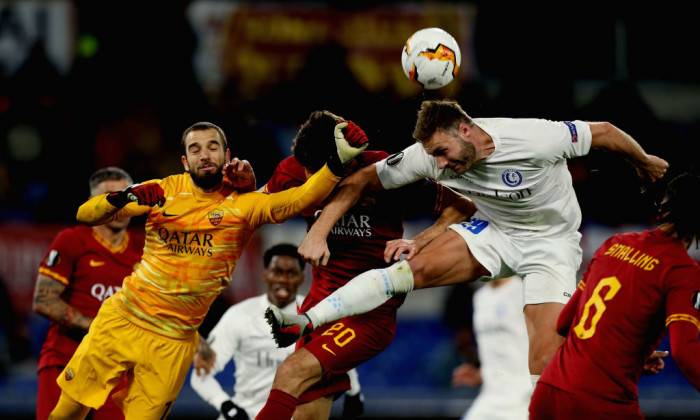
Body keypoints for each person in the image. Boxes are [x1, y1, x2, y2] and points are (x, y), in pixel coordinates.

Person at [266, 99, 669, 389]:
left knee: (544, 363)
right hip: (494, 232)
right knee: (402, 274)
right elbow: (360, 179)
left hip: (550, 245)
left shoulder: (534, 137)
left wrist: (644, 160)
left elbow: (605, 133)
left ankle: (603, 373)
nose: (439, 165)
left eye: (442, 153)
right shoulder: (429, 155)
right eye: (432, 157)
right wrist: (319, 232)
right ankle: (307, 321)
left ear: (465, 129)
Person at [48, 120, 368, 420]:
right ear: (185, 161)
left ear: (227, 156)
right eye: (196, 149)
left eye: (212, 147)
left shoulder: (244, 207)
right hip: (122, 320)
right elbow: (85, 214)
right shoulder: (162, 191)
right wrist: (123, 197)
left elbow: (300, 199)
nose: (205, 155)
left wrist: (336, 164)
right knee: (67, 412)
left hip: (174, 343)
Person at [256, 110, 474, 420]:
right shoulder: (293, 170)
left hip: (368, 312)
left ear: (347, 162)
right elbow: (254, 208)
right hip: (319, 303)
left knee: (291, 372)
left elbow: (462, 205)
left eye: (318, 172)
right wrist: (243, 184)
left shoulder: (387, 170)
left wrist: (419, 241)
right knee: (307, 413)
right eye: (306, 170)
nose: (309, 181)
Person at [529, 172, 700, 419]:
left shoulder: (615, 244)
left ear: (663, 206)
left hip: (550, 395)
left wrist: (624, 351)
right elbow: (685, 352)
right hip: (602, 403)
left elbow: (566, 322)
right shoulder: (682, 271)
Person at [189, 243, 364, 419]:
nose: (283, 279)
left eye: (291, 273)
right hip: (244, 415)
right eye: (277, 272)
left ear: (302, 278)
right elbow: (201, 376)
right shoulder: (239, 315)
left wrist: (354, 392)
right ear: (265, 274)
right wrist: (227, 406)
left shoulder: (317, 314)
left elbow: (338, 353)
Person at [33, 167, 143, 420]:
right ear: (93, 204)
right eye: (109, 198)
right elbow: (44, 300)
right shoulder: (72, 240)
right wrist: (97, 328)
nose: (119, 205)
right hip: (65, 361)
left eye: (124, 197)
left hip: (115, 371)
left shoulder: (144, 249)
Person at [451, 276, 532, 420]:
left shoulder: (525, 292)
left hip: (521, 401)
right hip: (489, 397)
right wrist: (481, 374)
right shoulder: (480, 298)